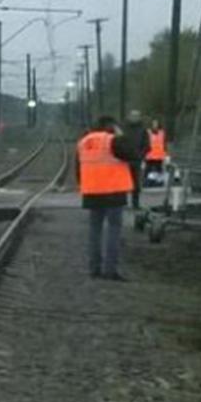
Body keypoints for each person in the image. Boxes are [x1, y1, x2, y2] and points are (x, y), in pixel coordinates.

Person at [77, 116, 135, 281]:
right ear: (112, 126)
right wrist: (121, 135)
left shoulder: (83, 142)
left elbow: (78, 168)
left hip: (91, 192)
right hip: (113, 192)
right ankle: (110, 271)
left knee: (94, 231)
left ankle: (94, 269)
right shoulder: (112, 140)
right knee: (114, 230)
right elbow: (132, 153)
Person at [121, 109, 150, 209]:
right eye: (133, 116)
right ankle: (122, 203)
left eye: (137, 116)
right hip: (124, 160)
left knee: (136, 184)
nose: (135, 118)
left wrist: (140, 155)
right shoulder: (123, 128)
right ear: (129, 117)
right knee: (123, 183)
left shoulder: (143, 129)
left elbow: (147, 145)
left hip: (136, 160)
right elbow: (118, 142)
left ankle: (135, 203)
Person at [145, 118, 168, 185]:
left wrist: (166, 154)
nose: (155, 125)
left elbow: (164, 143)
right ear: (151, 125)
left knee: (159, 170)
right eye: (153, 124)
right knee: (148, 170)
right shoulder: (148, 132)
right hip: (150, 155)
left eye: (156, 124)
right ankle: (147, 182)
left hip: (159, 155)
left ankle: (159, 182)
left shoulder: (162, 133)